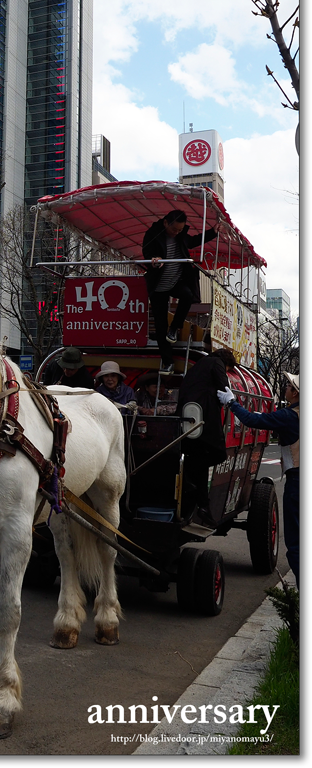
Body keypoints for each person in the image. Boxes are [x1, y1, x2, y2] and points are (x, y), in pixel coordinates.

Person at [218, 372, 299, 588]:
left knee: (295, 542)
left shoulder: (289, 416)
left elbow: (254, 421)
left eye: (289, 387)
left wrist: (232, 403)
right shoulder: (290, 415)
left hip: (297, 482)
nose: (286, 389)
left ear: (295, 393)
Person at [142, 209, 218, 374]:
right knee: (160, 326)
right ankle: (167, 362)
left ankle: (174, 328)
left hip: (176, 280)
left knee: (187, 295)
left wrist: (213, 232)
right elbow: (147, 254)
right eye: (174, 229)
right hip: (158, 285)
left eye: (179, 230)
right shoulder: (153, 234)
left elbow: (194, 241)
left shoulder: (181, 235)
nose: (176, 232)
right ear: (165, 223)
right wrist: (154, 260)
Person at [177, 348, 237, 524]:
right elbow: (223, 386)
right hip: (204, 419)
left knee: (196, 462)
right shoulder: (216, 363)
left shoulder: (197, 366)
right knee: (214, 454)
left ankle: (200, 503)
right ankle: (199, 499)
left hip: (188, 419)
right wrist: (229, 399)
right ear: (226, 363)